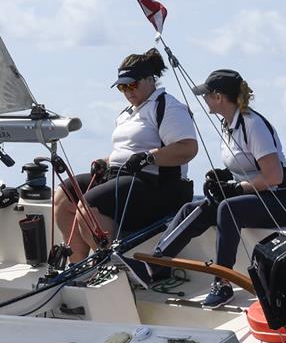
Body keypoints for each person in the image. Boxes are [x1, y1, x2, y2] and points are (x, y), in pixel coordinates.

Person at [149, 69, 286, 308]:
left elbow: (274, 176)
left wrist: (237, 189)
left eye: (207, 95)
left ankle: (222, 283)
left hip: (280, 200)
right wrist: (222, 178)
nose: (204, 100)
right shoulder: (228, 125)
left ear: (219, 97)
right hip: (256, 197)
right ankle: (156, 261)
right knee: (193, 208)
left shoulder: (252, 124)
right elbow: (245, 167)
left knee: (227, 208)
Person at [54, 48, 198, 271]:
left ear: (150, 80)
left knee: (89, 207)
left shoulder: (167, 107)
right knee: (64, 195)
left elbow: (188, 148)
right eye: (122, 87)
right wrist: (105, 160)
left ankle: (111, 268)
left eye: (132, 84)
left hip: (158, 185)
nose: (127, 91)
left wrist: (148, 158)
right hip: (122, 176)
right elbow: (125, 150)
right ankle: (78, 265)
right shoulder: (127, 113)